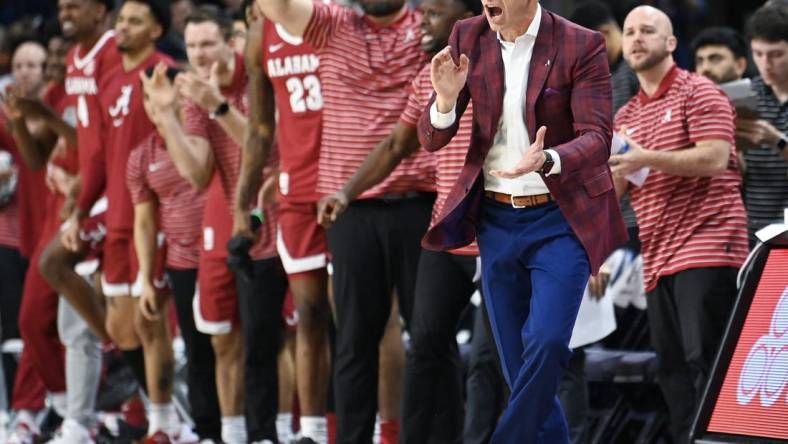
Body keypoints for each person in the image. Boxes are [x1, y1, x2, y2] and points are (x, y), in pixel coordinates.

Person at [418, 0, 627, 442]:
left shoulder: (581, 43)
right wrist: (445, 99)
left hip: (561, 218)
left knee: (549, 345)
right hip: (496, 219)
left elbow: (599, 137)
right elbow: (433, 139)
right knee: (516, 366)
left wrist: (549, 158)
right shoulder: (468, 36)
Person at [256, 0, 435, 441]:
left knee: (431, 338)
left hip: (422, 201)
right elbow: (275, 7)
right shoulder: (333, 24)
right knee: (354, 337)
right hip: (350, 209)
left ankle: (417, 435)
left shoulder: (432, 25)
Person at [312, 0, 481, 440]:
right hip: (432, 227)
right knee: (405, 339)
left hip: (477, 223)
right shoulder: (426, 74)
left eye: (433, 13)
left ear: (465, 18)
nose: (421, 22)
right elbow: (396, 144)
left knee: (463, 347)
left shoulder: (504, 67)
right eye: (422, 12)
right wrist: (346, 193)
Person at [143, 6, 287, 442]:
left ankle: (277, 429)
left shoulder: (261, 72)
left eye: (208, 43)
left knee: (271, 338)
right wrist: (168, 117)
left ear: (231, 41)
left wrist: (219, 106)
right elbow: (198, 173)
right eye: (191, 46)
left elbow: (272, 151)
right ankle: (230, 432)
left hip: (276, 215)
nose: (201, 54)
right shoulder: (195, 93)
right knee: (220, 338)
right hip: (223, 217)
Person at [610, 6, 749, 443]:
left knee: (707, 360)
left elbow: (714, 158)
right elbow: (615, 191)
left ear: (671, 43)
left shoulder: (700, 91)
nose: (635, 39)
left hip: (708, 244)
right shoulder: (624, 116)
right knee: (670, 370)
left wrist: (645, 156)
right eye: (630, 31)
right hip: (657, 256)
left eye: (648, 31)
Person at [59, 1, 195, 441]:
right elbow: (98, 152)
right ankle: (166, 411)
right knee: (120, 328)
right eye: (120, 20)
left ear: (156, 28)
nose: (123, 27)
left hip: (151, 213)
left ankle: (163, 423)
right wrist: (81, 209)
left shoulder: (165, 73)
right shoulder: (108, 75)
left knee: (149, 323)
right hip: (116, 212)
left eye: (135, 20)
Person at [233, 7, 331, 444]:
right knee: (307, 313)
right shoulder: (260, 35)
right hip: (295, 191)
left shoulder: (335, 20)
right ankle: (310, 430)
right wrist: (243, 201)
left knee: (364, 317)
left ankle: (379, 427)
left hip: (349, 185)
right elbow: (258, 127)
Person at [736, 5, 788, 241]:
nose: (765, 63)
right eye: (758, 54)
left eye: (776, 54)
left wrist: (776, 140)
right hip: (753, 229)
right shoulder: (747, 94)